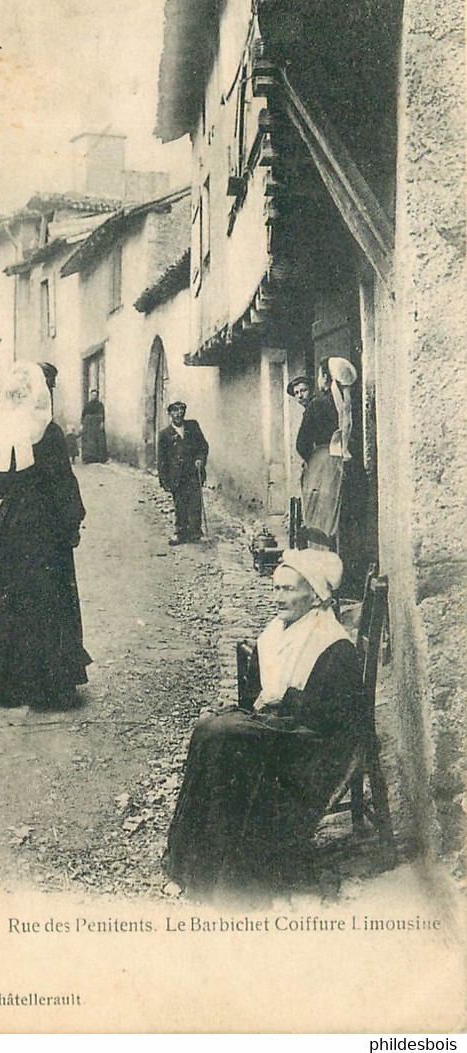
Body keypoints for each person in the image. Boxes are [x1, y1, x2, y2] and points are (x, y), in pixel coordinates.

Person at [164, 549, 364, 892]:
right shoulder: (278, 632)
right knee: (207, 730)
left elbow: (331, 718)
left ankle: (224, 872)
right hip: (285, 730)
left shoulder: (332, 644)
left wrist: (278, 704)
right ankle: (193, 862)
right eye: (276, 589)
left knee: (220, 735)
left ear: (314, 595)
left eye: (288, 590)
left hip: (312, 748)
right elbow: (256, 694)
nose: (279, 598)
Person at [0, 361, 91, 710]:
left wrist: (13, 493)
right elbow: (62, 483)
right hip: (44, 524)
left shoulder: (0, 430)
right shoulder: (47, 432)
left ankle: (6, 680)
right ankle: (48, 681)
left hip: (11, 526)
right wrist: (71, 522)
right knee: (48, 595)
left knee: (10, 594)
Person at [296, 357, 368, 589]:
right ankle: (348, 580)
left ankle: (322, 576)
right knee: (345, 522)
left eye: (319, 375)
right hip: (347, 465)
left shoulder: (317, 405)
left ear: (326, 379)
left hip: (323, 466)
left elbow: (301, 444)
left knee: (321, 520)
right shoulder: (349, 405)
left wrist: (313, 460)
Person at [157, 401, 209, 545]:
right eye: (175, 411)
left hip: (193, 473)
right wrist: (164, 480)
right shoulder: (164, 434)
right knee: (180, 505)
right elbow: (162, 459)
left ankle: (196, 532)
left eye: (181, 411)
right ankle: (180, 533)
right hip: (176, 476)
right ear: (170, 414)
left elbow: (203, 446)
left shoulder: (193, 426)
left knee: (195, 503)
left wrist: (200, 459)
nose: (179, 414)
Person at [80, 389, 108, 463]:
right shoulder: (87, 405)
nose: (94, 396)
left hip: (97, 423)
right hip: (88, 424)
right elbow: (83, 414)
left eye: (95, 395)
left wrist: (102, 422)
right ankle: (88, 458)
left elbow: (102, 414)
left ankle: (99, 458)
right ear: (90, 396)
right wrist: (82, 424)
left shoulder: (100, 405)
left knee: (98, 440)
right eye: (92, 395)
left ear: (97, 396)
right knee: (88, 441)